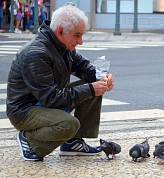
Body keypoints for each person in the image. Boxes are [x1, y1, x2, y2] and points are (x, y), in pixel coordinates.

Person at [6, 3, 115, 161]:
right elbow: (51, 98)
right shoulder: (36, 53)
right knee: (68, 124)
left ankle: (72, 142)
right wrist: (91, 89)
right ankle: (30, 141)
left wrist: (102, 78)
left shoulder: (62, 46)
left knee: (95, 84)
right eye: (77, 35)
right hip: (24, 111)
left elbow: (84, 67)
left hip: (44, 101)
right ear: (61, 31)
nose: (81, 41)